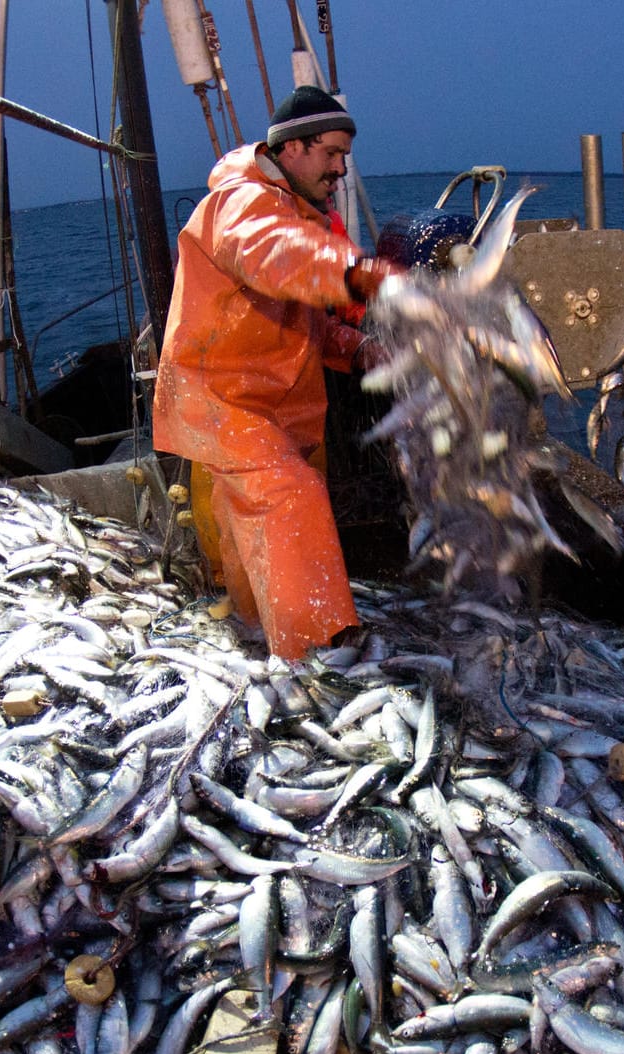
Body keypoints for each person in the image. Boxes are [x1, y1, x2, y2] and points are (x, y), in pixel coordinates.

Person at [152, 86, 398, 661]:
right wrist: (370, 278)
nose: (341, 168)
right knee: (290, 495)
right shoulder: (241, 204)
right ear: (293, 148)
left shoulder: (293, 211)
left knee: (250, 528)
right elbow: (275, 256)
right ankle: (320, 657)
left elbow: (303, 320)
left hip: (271, 403)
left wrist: (361, 349)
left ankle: (255, 626)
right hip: (223, 398)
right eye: (333, 152)